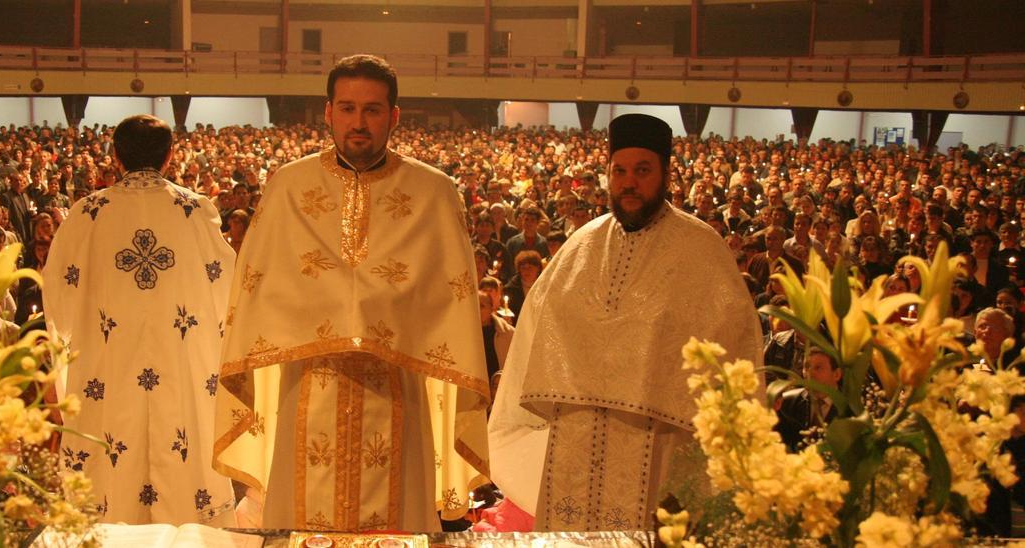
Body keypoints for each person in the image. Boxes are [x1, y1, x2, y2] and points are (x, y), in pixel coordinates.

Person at [213, 54, 490, 533]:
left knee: (396, 526)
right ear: (328, 112)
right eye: (347, 109)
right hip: (309, 384)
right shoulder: (288, 188)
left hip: (397, 386)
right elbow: (257, 288)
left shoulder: (433, 193)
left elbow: (453, 304)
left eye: (372, 110)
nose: (358, 123)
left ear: (394, 116)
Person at [487, 113, 762, 531]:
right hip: (573, 443)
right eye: (619, 171)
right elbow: (538, 331)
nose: (629, 183)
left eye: (642, 171)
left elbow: (735, 348)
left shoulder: (703, 251)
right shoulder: (581, 245)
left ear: (666, 174)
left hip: (660, 444)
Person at [44, 114, 237, 526]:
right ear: (170, 156)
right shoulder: (194, 209)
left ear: (115, 156)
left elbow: (57, 292)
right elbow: (227, 286)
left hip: (106, 363)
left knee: (108, 457)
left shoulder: (87, 213)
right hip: (181, 360)